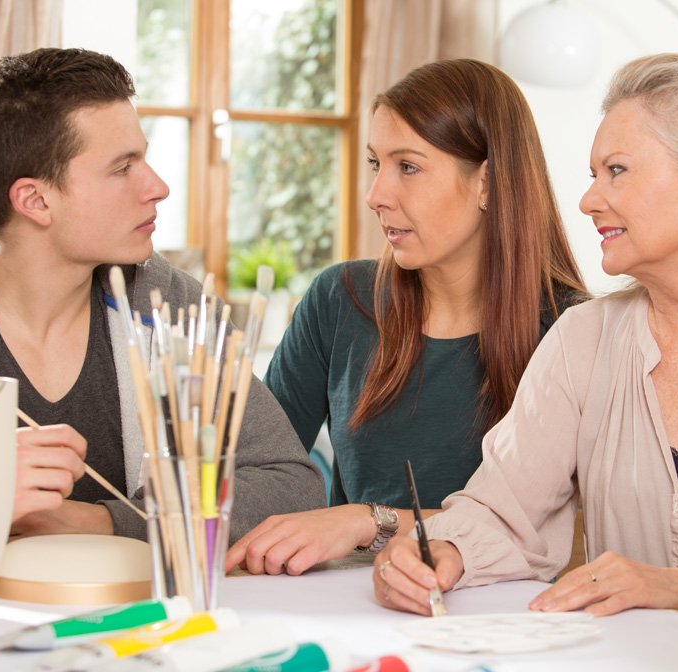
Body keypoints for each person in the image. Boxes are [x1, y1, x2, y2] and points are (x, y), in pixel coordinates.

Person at [372, 53, 678, 617]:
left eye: (616, 170)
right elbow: (504, 508)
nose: (589, 200)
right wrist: (446, 552)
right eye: (593, 176)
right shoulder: (582, 339)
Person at [0, 47, 325, 541]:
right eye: (122, 168)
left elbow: (289, 485)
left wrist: (105, 522)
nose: (158, 187)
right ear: (35, 200)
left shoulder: (177, 310)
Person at [224, 59, 586, 575]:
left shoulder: (574, 333)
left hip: (506, 624)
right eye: (376, 164)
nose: (376, 196)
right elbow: (260, 470)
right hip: (353, 610)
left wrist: (367, 521)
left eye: (408, 167)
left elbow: (529, 530)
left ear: (488, 181)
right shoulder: (339, 300)